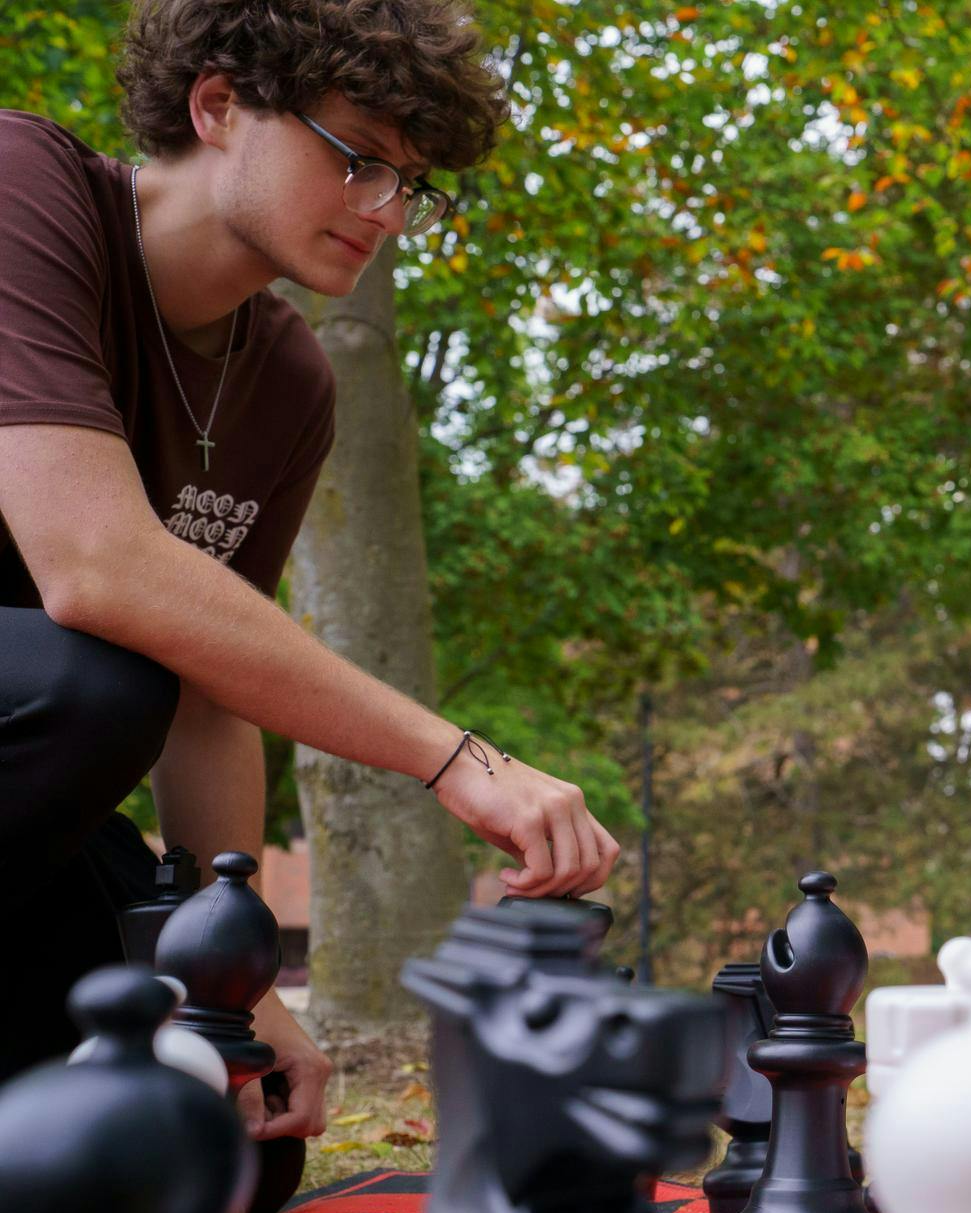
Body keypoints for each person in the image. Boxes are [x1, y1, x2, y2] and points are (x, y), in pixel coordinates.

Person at [0, 0, 619, 1144]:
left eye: (412, 185)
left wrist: (235, 984)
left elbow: (209, 696)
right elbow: (93, 567)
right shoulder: (21, 185)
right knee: (87, 681)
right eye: (358, 162)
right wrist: (453, 758)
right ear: (220, 105)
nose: (387, 213)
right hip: (38, 709)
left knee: (221, 1131)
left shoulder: (288, 384)